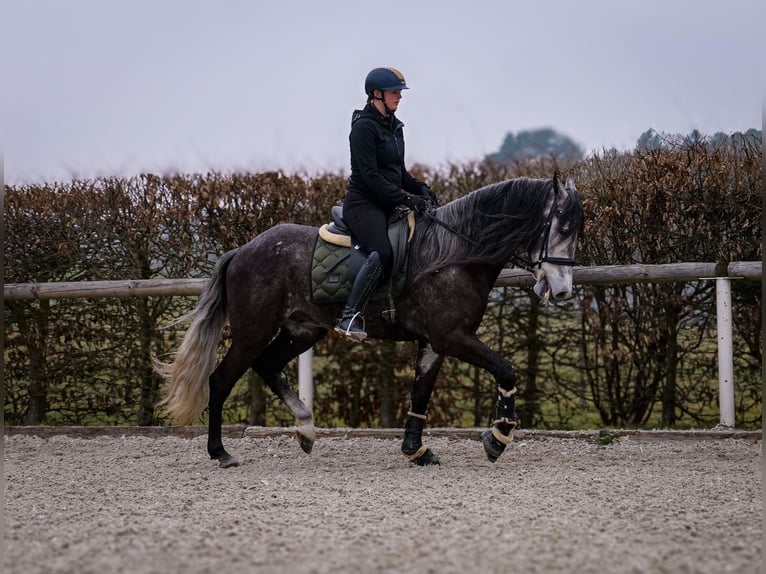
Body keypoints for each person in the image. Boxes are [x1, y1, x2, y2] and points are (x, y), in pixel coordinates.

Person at [334, 66, 437, 341]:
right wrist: (406, 199)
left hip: (387, 204)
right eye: (395, 92)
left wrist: (421, 189)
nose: (399, 97)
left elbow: (398, 174)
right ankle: (350, 316)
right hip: (363, 204)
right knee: (383, 252)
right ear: (376, 94)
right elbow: (370, 178)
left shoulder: (394, 127)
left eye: (400, 93)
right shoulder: (363, 128)